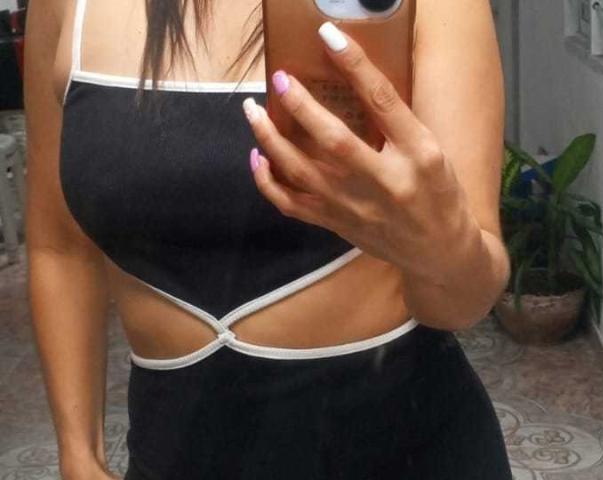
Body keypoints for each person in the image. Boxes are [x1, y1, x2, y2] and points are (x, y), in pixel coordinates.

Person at [24, 0, 512, 478]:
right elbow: (59, 245)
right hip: (172, 451)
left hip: (403, 444)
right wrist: (79, 455)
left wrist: (438, 249)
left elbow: (463, 301)